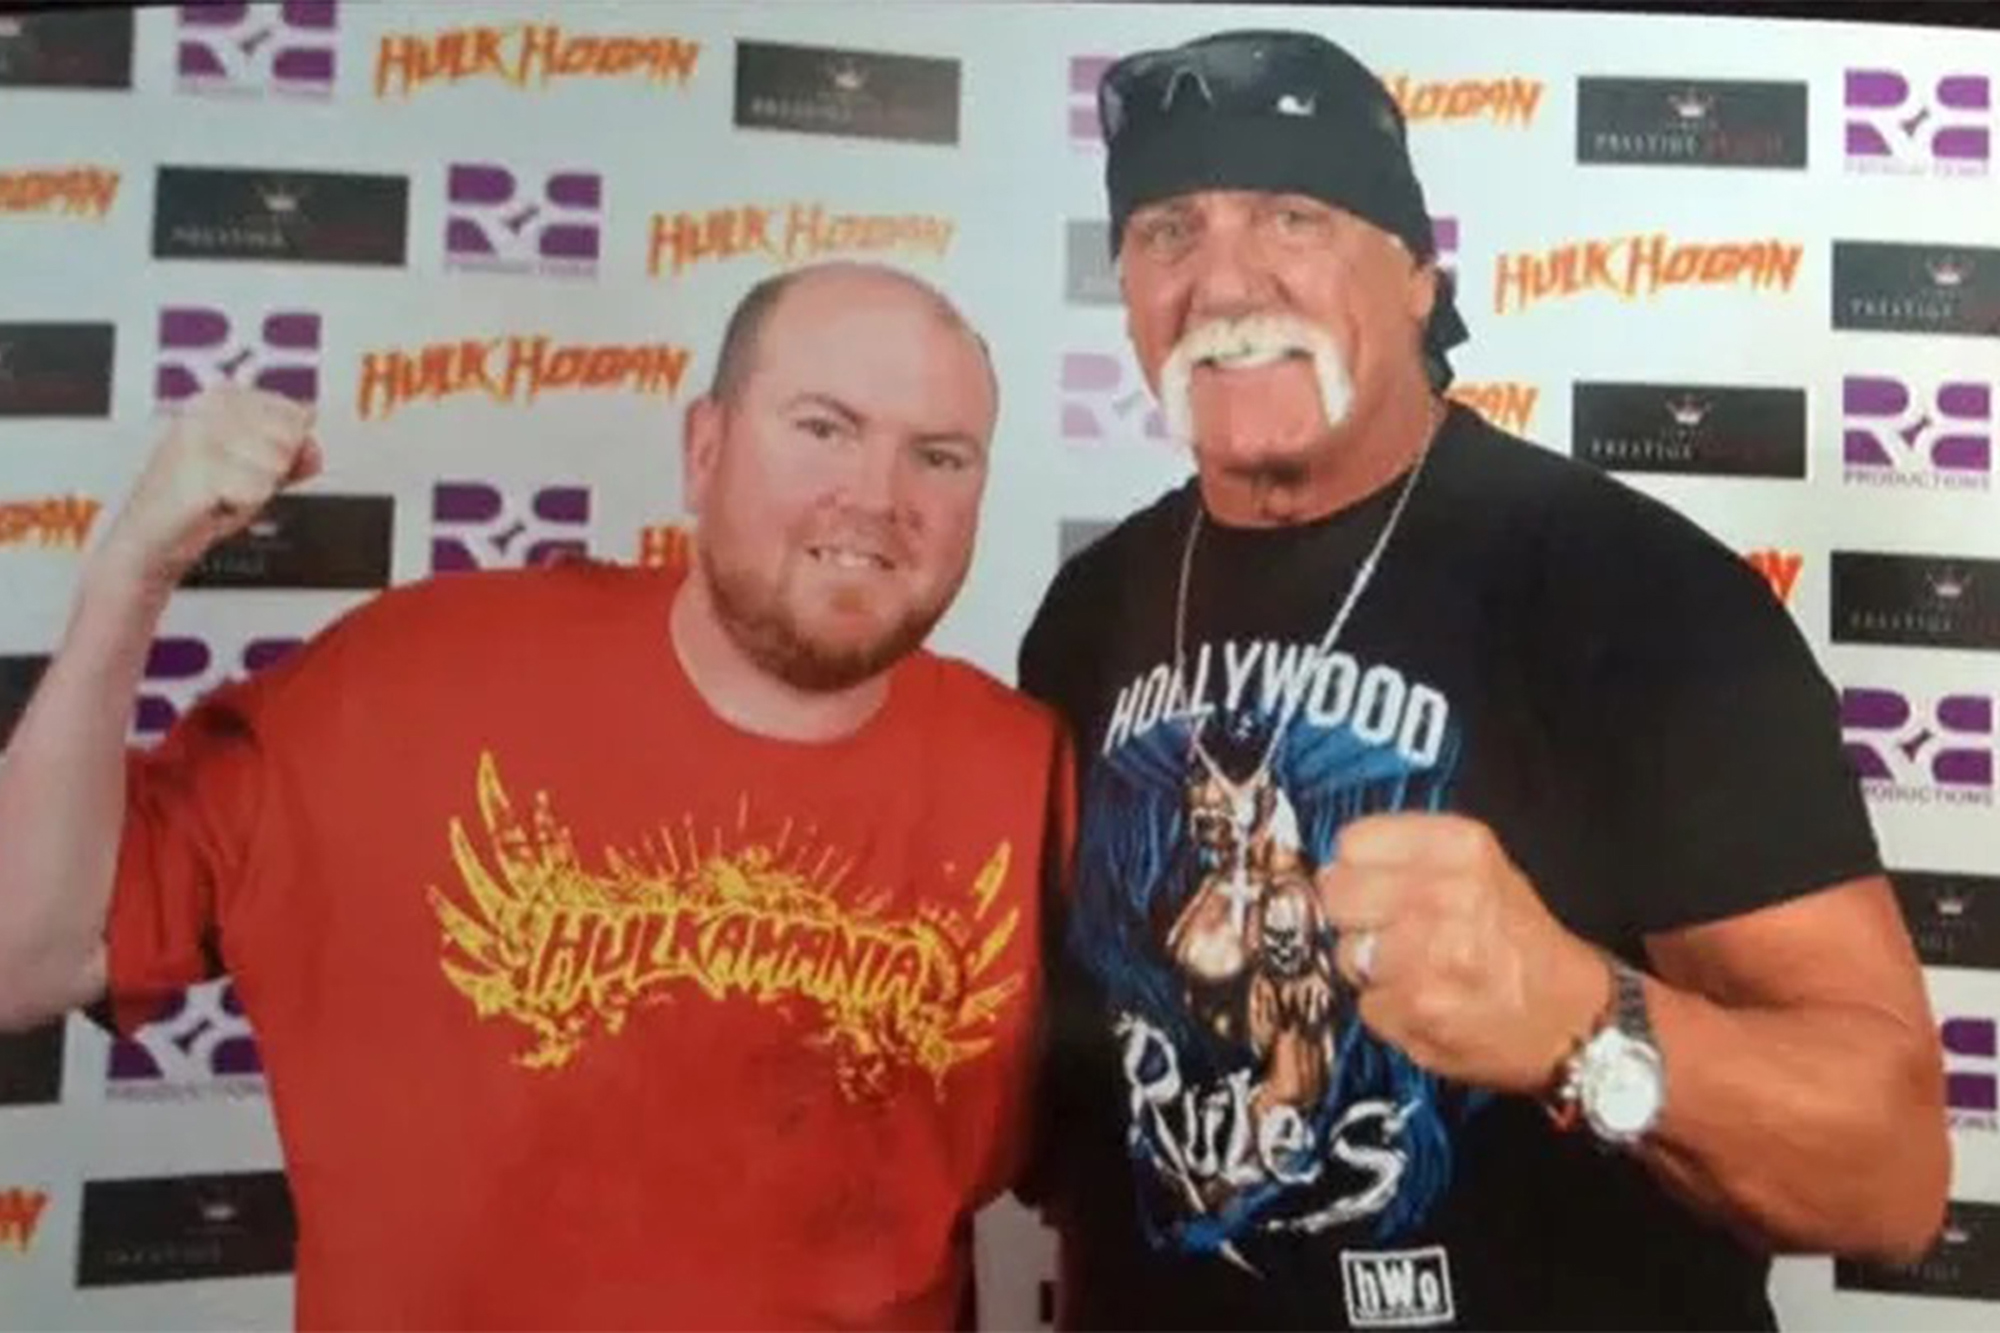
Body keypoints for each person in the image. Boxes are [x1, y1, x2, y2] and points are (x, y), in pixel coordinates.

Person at [1016, 28, 1948, 1332]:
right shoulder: (1089, 610)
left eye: (1292, 215)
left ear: (1418, 275)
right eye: (1167, 230)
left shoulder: (1637, 593)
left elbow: (1890, 1172)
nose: (1221, 282)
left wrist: (1580, 1019)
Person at [0, 260, 1072, 1331]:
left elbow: (1113, 1164)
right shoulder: (410, 686)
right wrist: (130, 575)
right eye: (823, 428)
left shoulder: (1025, 772)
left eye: (939, 455)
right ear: (703, 450)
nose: (878, 497)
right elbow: (27, 954)